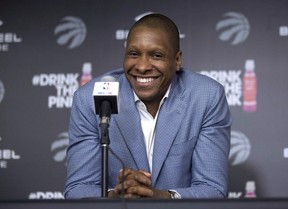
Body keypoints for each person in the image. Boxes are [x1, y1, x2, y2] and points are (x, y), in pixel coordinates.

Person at [64, 13, 232, 199]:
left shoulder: (206, 96)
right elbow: (77, 189)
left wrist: (161, 197)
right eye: (134, 54)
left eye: (156, 55)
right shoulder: (90, 98)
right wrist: (115, 196)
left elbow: (212, 189)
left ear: (177, 60)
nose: (142, 66)